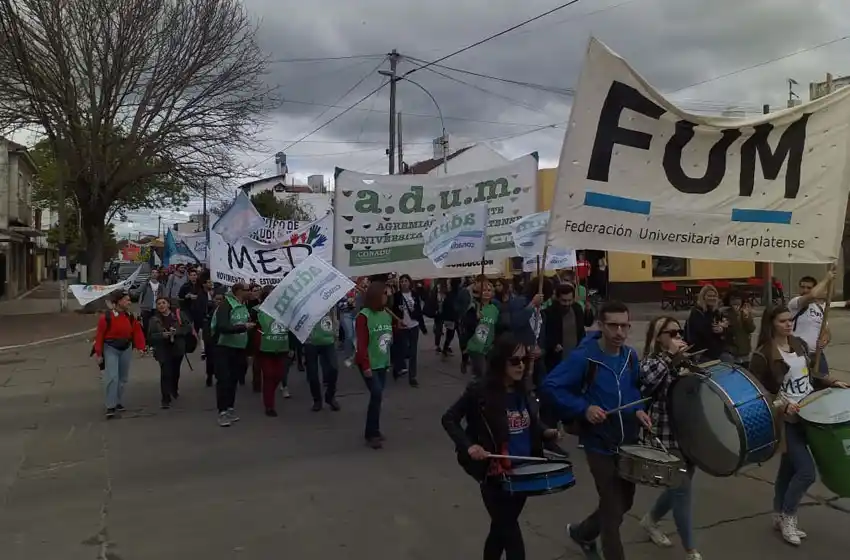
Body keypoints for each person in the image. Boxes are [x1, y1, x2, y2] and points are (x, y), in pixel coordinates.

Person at [541, 301, 651, 560]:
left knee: (625, 502)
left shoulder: (630, 356)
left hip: (628, 442)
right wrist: (584, 408)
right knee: (612, 511)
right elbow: (550, 386)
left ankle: (583, 533)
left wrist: (638, 410)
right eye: (613, 325)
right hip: (598, 444)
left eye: (624, 326)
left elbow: (632, 389)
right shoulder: (584, 357)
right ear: (601, 325)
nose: (620, 332)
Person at [442, 333, 561, 560]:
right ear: (500, 362)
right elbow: (449, 419)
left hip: (523, 473)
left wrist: (546, 432)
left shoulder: (522, 389)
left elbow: (529, 423)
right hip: (496, 476)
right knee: (513, 539)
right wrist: (469, 446)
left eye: (524, 360)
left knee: (500, 531)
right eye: (514, 361)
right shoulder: (480, 392)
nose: (521, 365)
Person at [749, 304, 848, 546]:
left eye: (790, 319)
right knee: (806, 472)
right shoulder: (763, 355)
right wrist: (782, 406)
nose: (788, 324)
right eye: (782, 321)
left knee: (787, 470)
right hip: (788, 421)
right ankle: (788, 517)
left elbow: (810, 376)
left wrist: (831, 381)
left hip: (809, 414)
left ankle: (777, 513)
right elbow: (758, 394)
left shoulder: (798, 344)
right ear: (772, 323)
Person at [636, 316, 701, 560]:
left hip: (688, 434)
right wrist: (671, 356)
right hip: (665, 435)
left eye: (679, 332)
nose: (677, 337)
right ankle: (691, 550)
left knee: (679, 486)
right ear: (657, 337)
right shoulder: (650, 362)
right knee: (682, 491)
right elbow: (648, 381)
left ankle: (650, 519)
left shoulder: (686, 358)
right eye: (671, 333)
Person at [93, 291, 146, 419]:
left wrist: (141, 347)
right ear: (118, 302)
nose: (129, 302)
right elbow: (99, 335)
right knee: (112, 377)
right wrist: (99, 353)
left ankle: (117, 401)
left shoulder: (130, 316)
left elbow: (137, 331)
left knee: (122, 378)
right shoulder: (106, 317)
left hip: (126, 348)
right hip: (110, 348)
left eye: (129, 300)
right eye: (126, 300)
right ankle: (110, 405)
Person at [355, 281, 394, 449]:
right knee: (376, 394)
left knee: (377, 397)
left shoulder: (386, 313)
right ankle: (371, 434)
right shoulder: (363, 316)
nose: (388, 296)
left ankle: (373, 430)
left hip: (382, 362)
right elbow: (361, 344)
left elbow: (388, 336)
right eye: (385, 293)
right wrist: (365, 366)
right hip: (369, 363)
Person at [211, 283, 254, 427]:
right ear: (239, 291)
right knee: (224, 380)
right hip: (223, 347)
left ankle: (230, 408)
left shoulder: (243, 305)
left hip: (238, 348)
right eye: (248, 290)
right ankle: (222, 412)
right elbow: (222, 327)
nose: (250, 292)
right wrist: (243, 327)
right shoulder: (225, 305)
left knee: (234, 379)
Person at [253, 286, 294, 417]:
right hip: (265, 349)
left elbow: (291, 329)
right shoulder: (257, 311)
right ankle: (269, 405)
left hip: (281, 347)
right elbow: (252, 328)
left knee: (279, 375)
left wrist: (292, 347)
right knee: (269, 375)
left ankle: (269, 391)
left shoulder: (284, 311)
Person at [147, 296, 193, 409]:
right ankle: (165, 398)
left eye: (163, 303)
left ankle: (174, 389)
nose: (161, 305)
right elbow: (150, 337)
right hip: (163, 349)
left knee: (175, 371)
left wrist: (176, 332)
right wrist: (162, 335)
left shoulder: (178, 315)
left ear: (168, 304)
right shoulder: (154, 320)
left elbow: (188, 328)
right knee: (165, 373)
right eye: (159, 304)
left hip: (177, 347)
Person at [788, 270, 835, 376]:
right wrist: (827, 279)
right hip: (799, 355)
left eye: (809, 288)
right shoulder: (795, 303)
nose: (805, 290)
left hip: (817, 355)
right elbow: (813, 295)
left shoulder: (820, 308)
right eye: (802, 287)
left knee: (824, 382)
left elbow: (826, 331)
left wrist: (825, 338)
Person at [543, 283, 594, 372]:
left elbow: (587, 323)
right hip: (557, 358)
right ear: (557, 298)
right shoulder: (549, 313)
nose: (567, 303)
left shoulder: (577, 308)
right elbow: (545, 334)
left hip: (576, 355)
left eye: (569, 300)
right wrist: (553, 345)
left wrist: (588, 311)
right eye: (564, 300)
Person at [390, 274, 428, 387]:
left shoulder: (415, 295)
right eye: (402, 281)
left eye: (406, 281)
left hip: (414, 326)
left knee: (413, 352)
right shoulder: (396, 296)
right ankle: (397, 368)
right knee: (402, 350)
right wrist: (396, 322)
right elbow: (393, 311)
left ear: (410, 282)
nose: (404, 283)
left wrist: (423, 328)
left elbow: (419, 311)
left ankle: (412, 377)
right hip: (402, 327)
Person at [304, 312, 341, 412]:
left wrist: (336, 332)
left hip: (328, 340)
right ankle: (317, 400)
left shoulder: (327, 303)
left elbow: (334, 316)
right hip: (310, 342)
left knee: (334, 368)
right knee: (312, 373)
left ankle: (330, 396)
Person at [464, 278, 500, 379]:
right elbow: (467, 325)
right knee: (482, 374)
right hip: (476, 347)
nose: (487, 292)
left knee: (484, 375)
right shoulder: (474, 307)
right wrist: (475, 318)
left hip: (488, 347)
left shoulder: (494, 309)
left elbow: (495, 326)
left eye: (489, 290)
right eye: (484, 290)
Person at [685, 284, 730, 362]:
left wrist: (722, 330)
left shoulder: (716, 312)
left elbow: (725, 332)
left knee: (729, 360)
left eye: (714, 296)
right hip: (702, 353)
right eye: (709, 296)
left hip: (717, 350)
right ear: (703, 297)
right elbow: (697, 334)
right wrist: (713, 329)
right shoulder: (696, 312)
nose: (712, 298)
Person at [722, 291, 756, 368]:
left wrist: (747, 318)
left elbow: (751, 329)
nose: (736, 301)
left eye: (738, 299)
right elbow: (728, 330)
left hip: (744, 351)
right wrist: (735, 315)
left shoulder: (744, 312)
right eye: (733, 299)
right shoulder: (725, 313)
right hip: (731, 352)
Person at [202, 290, 224, 387]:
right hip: (210, 339)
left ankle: (219, 376)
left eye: (220, 299)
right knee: (210, 359)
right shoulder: (209, 310)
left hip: (222, 339)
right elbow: (205, 326)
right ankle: (209, 376)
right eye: (216, 299)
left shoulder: (225, 311)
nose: (218, 301)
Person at [137, 268, 163, 339]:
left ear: (158, 274)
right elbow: (137, 291)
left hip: (157, 308)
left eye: (156, 273)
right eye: (153, 272)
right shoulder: (146, 284)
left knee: (156, 325)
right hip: (146, 308)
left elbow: (164, 296)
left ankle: (154, 339)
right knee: (146, 325)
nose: (154, 274)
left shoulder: (160, 285)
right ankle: (146, 339)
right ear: (150, 274)